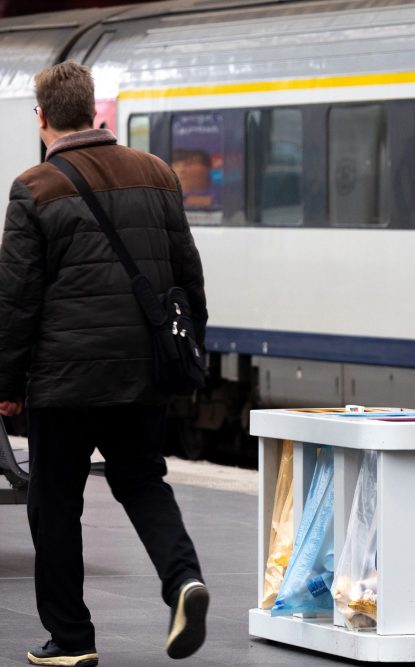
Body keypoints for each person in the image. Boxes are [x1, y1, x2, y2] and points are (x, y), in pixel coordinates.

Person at [0, 62, 210, 666]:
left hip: (64, 380)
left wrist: (7, 385)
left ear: (41, 116)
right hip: (142, 371)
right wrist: (188, 353)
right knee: (143, 480)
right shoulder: (157, 174)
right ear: (93, 110)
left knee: (57, 502)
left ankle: (71, 640)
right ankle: (183, 580)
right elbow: (188, 277)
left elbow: (17, 300)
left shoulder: (34, 187)